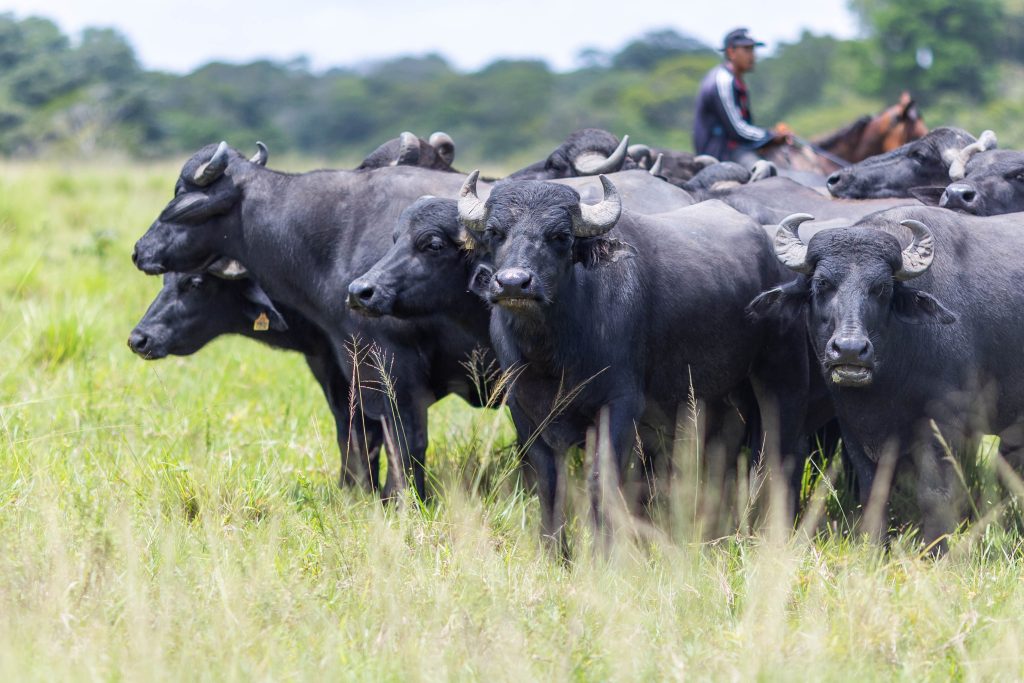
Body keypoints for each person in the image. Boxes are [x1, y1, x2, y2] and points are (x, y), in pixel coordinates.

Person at [693, 28, 788, 167]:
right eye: (747, 50)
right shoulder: (723, 80)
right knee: (763, 170)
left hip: (734, 148)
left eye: (753, 50)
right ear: (731, 52)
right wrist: (770, 136)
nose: (753, 56)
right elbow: (737, 129)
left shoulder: (735, 80)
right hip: (722, 153)